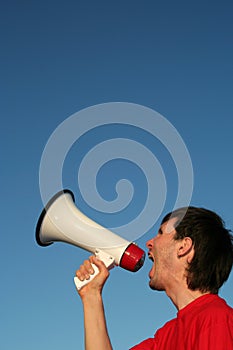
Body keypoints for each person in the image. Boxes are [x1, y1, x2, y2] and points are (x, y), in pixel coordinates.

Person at [75, 206, 233, 349]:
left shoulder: (216, 320)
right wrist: (91, 295)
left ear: (183, 247)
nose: (149, 243)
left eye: (161, 233)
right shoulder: (165, 337)